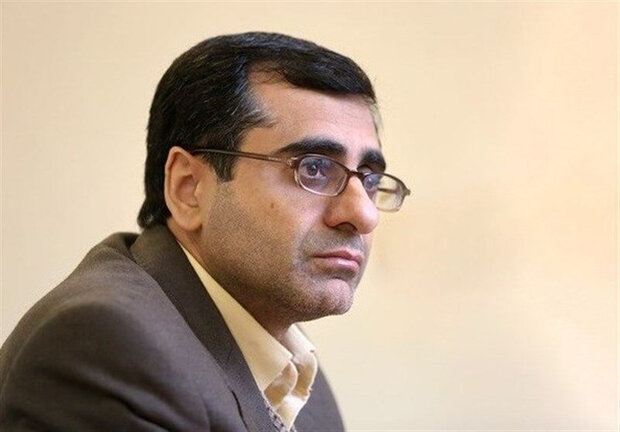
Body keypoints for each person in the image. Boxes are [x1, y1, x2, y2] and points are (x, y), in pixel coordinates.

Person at [0, 32, 410, 431]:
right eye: (314, 168)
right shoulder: (109, 345)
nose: (363, 214)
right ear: (188, 188)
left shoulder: (290, 363)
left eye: (370, 179)